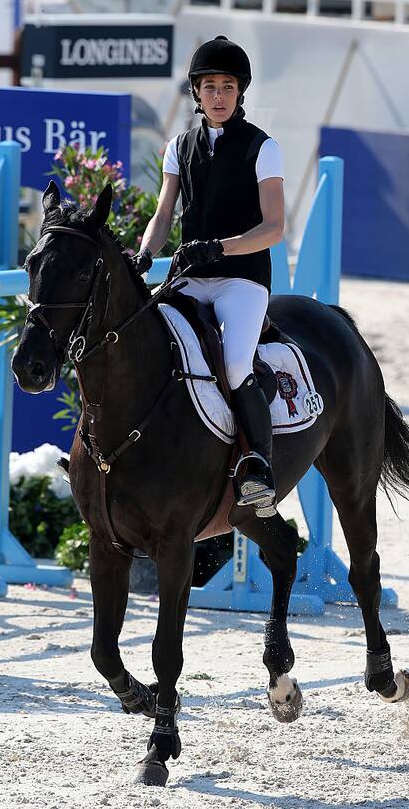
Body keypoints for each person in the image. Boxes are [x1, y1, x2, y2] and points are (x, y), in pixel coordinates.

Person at [133, 35, 285, 517]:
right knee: (142, 340)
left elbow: (274, 228)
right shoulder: (179, 147)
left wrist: (220, 247)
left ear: (240, 92)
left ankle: (259, 466)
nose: (219, 96)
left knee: (235, 364)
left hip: (242, 278)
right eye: (210, 87)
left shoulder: (263, 148)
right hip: (191, 277)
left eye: (228, 87)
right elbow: (163, 216)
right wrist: (144, 254)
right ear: (196, 92)